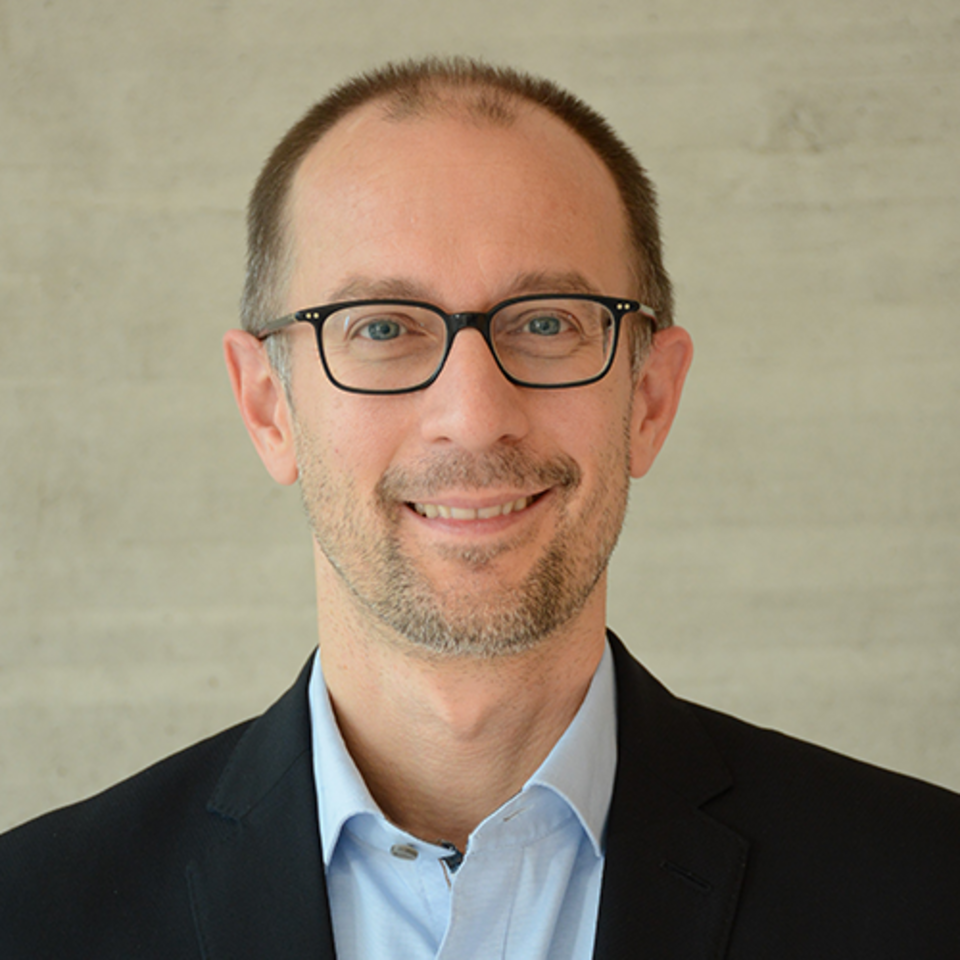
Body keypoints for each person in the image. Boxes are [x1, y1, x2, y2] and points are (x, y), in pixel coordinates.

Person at [1, 57, 958, 959]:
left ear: (649, 399)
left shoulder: (925, 891)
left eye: (546, 322)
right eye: (382, 326)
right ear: (267, 407)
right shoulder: (33, 916)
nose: (472, 415)